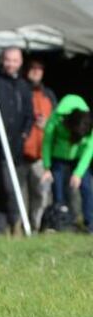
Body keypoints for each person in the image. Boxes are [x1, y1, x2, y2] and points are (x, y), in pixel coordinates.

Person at [0, 47, 34, 235]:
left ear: (20, 63)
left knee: (13, 188)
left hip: (16, 149)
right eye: (8, 60)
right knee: (3, 189)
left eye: (15, 60)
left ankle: (14, 225)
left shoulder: (23, 86)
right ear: (2, 61)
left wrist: (24, 133)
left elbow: (29, 114)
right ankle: (3, 227)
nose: (11, 64)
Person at [40, 95, 93, 232]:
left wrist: (78, 173)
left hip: (79, 158)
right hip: (59, 157)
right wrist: (47, 167)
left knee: (87, 187)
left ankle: (90, 223)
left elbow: (89, 150)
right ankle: (60, 223)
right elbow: (47, 142)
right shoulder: (56, 118)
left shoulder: (88, 122)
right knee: (58, 189)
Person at [21, 59, 57, 231]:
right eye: (32, 69)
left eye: (39, 69)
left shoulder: (48, 94)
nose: (36, 72)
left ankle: (39, 227)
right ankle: (20, 229)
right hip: (21, 152)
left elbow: (59, 121)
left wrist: (48, 123)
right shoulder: (20, 91)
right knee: (21, 195)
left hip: (42, 155)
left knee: (42, 195)